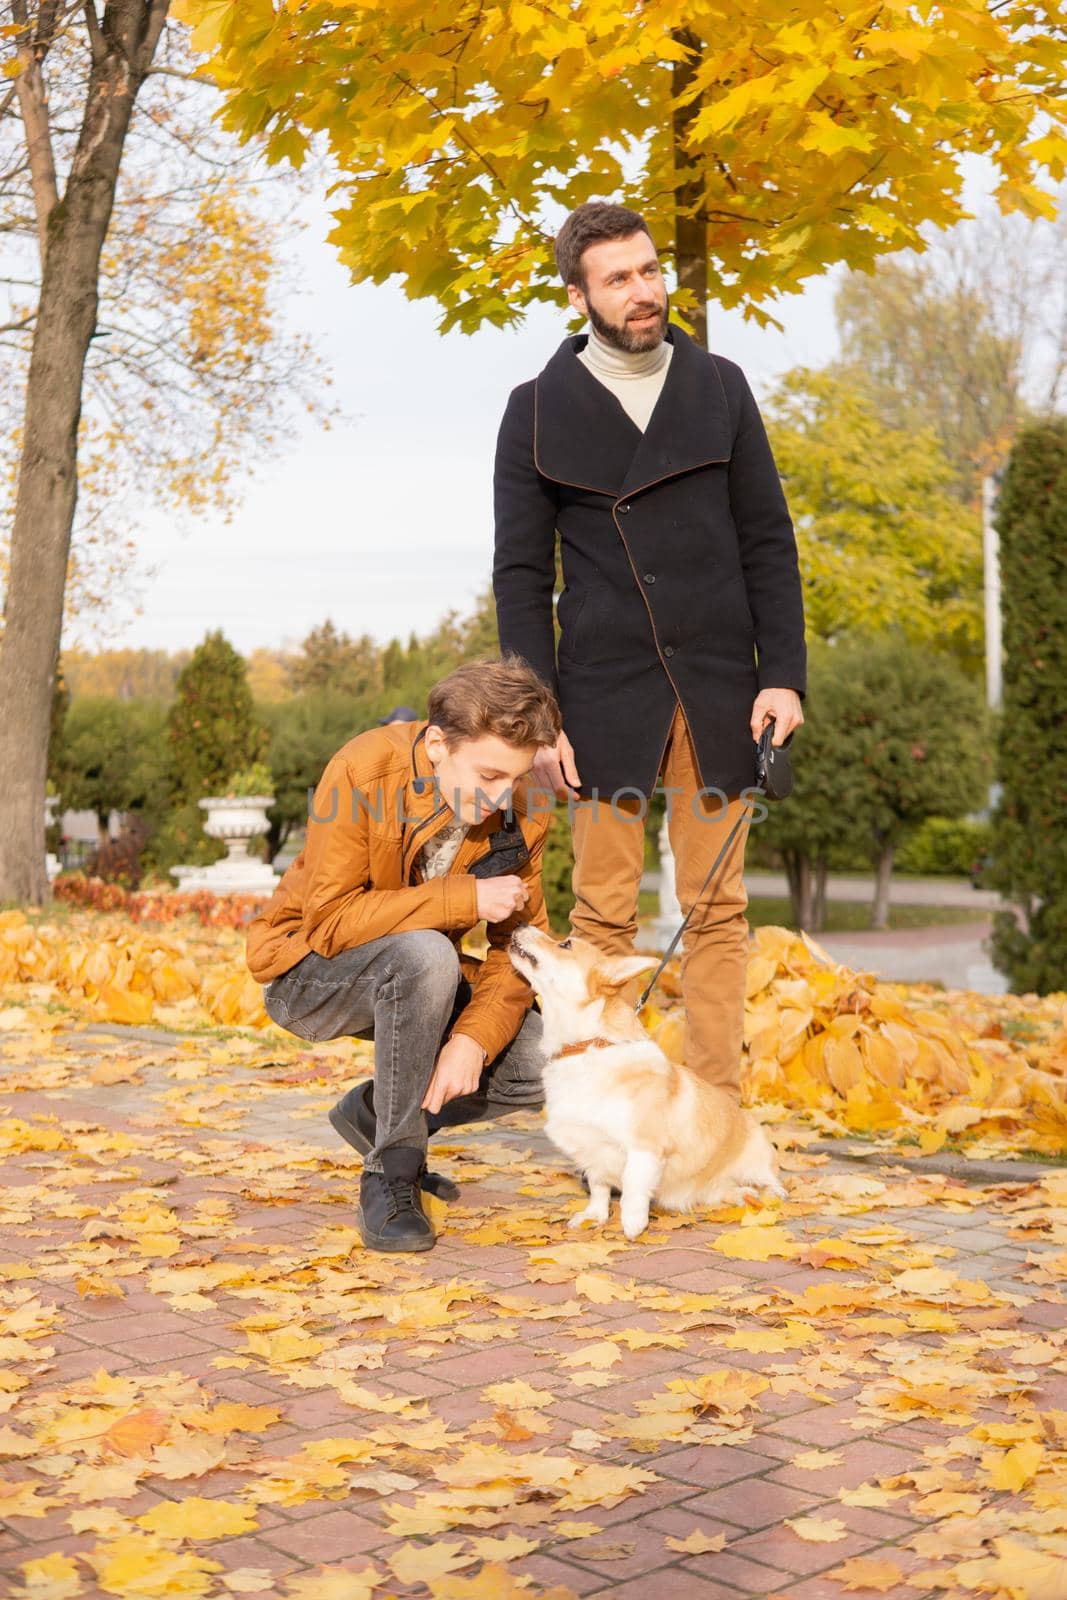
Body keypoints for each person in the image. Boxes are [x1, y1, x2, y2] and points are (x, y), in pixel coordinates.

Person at [493, 201, 807, 1103]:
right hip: (598, 697)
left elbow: (768, 539)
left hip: (719, 686)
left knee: (717, 911)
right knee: (602, 915)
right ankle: (606, 1111)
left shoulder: (719, 386)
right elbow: (520, 572)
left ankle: (713, 1116)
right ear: (578, 295)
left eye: (648, 270)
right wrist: (537, 714)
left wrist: (781, 674)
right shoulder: (536, 412)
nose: (642, 291)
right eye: (618, 278)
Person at [246, 656, 561, 1253]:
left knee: (547, 1060)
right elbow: (332, 923)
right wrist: (463, 896)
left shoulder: (522, 814)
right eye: (489, 775)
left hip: (421, 979)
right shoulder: (364, 770)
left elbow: (519, 950)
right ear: (439, 744)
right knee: (426, 954)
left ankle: (376, 1110)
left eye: (514, 780)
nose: (501, 798)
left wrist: (473, 1040)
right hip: (307, 974)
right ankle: (391, 1176)